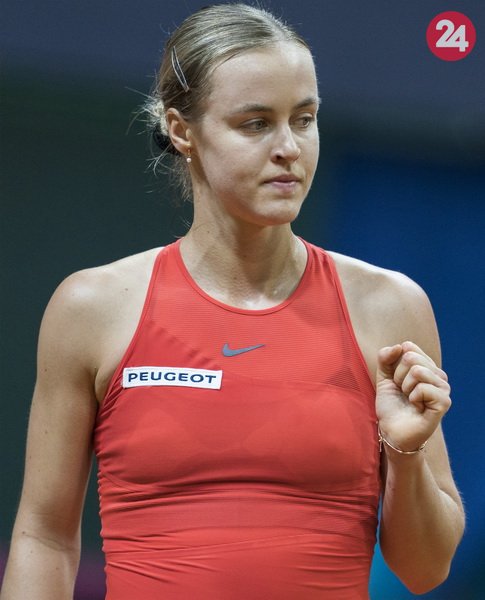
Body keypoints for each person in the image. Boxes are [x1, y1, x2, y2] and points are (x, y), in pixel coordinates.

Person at [0, 4, 464, 599]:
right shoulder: (91, 308)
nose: (289, 147)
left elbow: (425, 571)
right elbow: (43, 538)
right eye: (255, 123)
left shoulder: (390, 306)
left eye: (304, 119)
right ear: (181, 130)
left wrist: (405, 452)